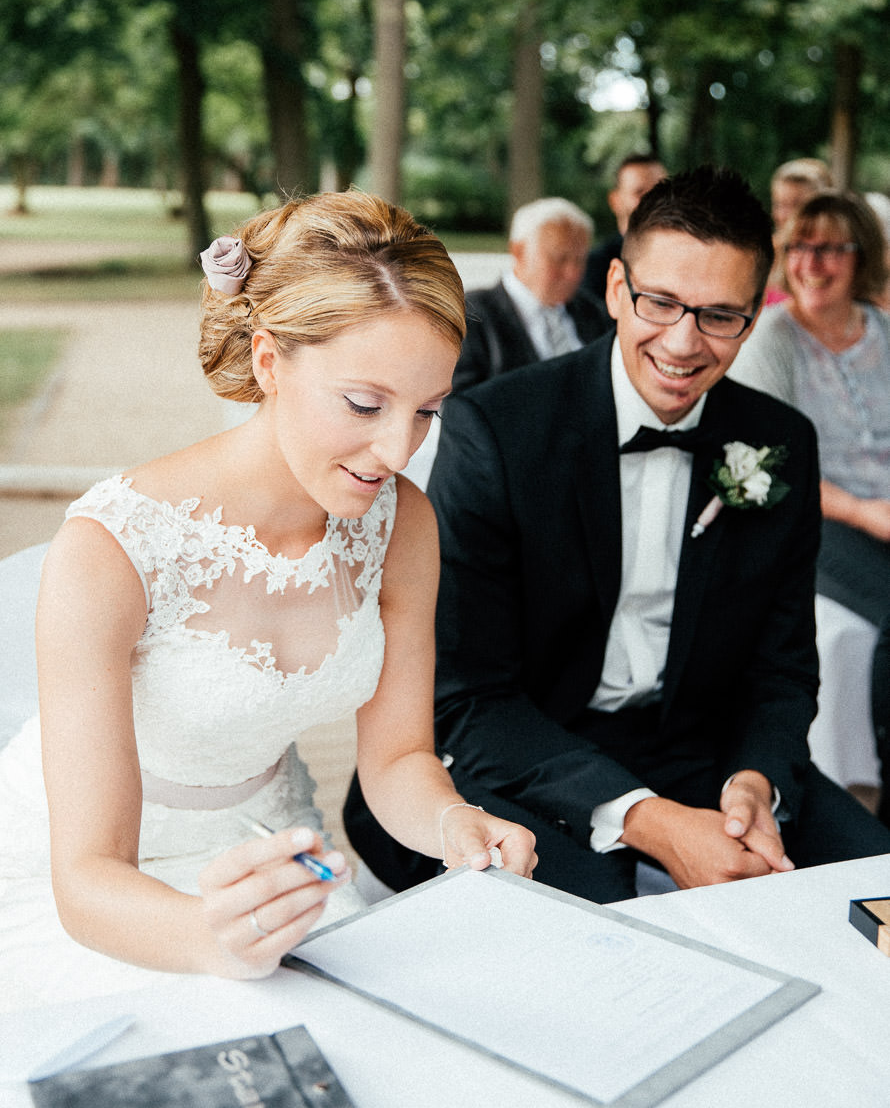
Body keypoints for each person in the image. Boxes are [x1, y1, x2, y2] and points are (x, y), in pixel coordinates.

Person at [0, 191, 535, 1011]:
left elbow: (396, 761)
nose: (397, 450)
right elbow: (87, 879)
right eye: (364, 403)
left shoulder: (403, 527)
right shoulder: (109, 552)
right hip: (99, 887)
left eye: (426, 411)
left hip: (272, 852)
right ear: (267, 361)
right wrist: (204, 935)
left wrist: (453, 823)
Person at [345, 166, 890, 903]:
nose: (683, 342)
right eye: (660, 302)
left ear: (752, 319)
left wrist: (754, 780)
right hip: (526, 749)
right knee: (602, 924)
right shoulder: (499, 432)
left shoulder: (779, 443)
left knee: (871, 877)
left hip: (701, 749)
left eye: (720, 314)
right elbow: (468, 696)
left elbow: (782, 669)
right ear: (613, 289)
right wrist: (653, 822)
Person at [730, 190, 890, 795]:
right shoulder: (773, 338)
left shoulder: (884, 332)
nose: (812, 264)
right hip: (818, 520)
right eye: (800, 247)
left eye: (831, 249)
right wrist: (868, 513)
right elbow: (772, 466)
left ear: (861, 258)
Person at [452, 197, 610, 394]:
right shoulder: (471, 315)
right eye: (559, 259)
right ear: (518, 251)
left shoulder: (593, 311)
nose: (573, 273)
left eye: (580, 260)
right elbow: (460, 408)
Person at [581, 153, 666, 300]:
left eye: (660, 190)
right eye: (640, 192)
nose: (653, 199)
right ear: (615, 201)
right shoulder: (595, 267)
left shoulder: (685, 257)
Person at [766, 158, 835, 304]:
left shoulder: (838, 256)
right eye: (780, 204)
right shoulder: (762, 254)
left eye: (798, 205)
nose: (787, 215)